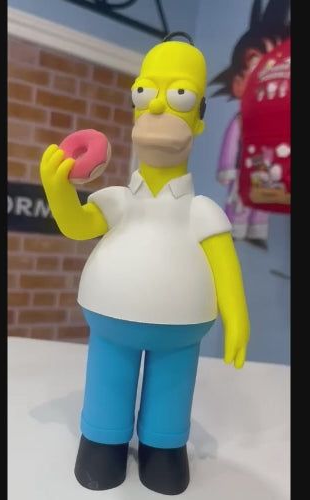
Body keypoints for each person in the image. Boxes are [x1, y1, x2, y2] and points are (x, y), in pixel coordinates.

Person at [39, 32, 249, 495]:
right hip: (110, 322)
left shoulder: (202, 213)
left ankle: (164, 448)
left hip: (181, 331)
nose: (155, 107)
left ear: (198, 117)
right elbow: (77, 225)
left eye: (178, 96)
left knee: (171, 391)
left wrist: (237, 319)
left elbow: (224, 266)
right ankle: (102, 442)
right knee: (108, 382)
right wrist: (57, 190)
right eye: (144, 93)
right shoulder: (117, 199)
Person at [210, 0, 290, 247]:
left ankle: (255, 232)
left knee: (262, 200)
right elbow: (230, 146)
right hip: (245, 173)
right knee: (240, 201)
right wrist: (227, 170)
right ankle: (233, 228)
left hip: (267, 173)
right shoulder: (240, 121)